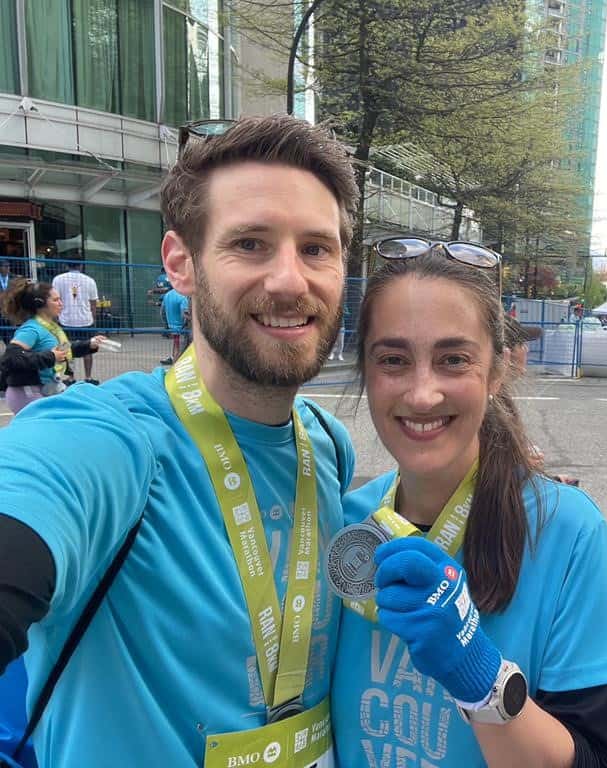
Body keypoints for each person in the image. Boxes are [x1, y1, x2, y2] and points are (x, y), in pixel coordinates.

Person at [0, 115, 359, 766]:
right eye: (250, 243)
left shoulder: (329, 447)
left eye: (316, 248)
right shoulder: (104, 443)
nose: (289, 279)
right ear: (181, 263)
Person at [331, 244, 607, 768]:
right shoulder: (346, 521)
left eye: (453, 360)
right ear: (366, 373)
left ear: (495, 372)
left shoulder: (566, 530)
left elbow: (598, 761)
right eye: (394, 360)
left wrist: (479, 676)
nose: (422, 394)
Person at [0, 279, 107, 415]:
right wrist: (51, 356)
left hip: (45, 388)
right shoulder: (31, 329)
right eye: (56, 300)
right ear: (40, 304)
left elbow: (62, 351)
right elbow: (10, 358)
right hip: (26, 392)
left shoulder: (50, 328)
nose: (61, 304)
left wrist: (89, 344)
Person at [51, 257, 100, 384]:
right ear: (81, 266)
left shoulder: (58, 280)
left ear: (67, 266)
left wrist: (55, 318)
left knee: (67, 349)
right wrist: (93, 319)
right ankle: (88, 377)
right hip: (85, 320)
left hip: (65, 320)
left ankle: (70, 377)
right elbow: (93, 303)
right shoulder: (89, 280)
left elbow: (55, 300)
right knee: (88, 349)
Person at [160, 286, 190, 365]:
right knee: (182, 347)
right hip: (182, 328)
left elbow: (162, 311)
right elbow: (184, 314)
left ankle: (173, 358)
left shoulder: (167, 295)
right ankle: (176, 364)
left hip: (172, 326)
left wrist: (166, 324)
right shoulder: (183, 297)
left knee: (176, 344)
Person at [0, 258, 13, 345]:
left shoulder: (13, 278)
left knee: (10, 331)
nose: (8, 268)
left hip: (10, 308)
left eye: (8, 266)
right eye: (5, 266)